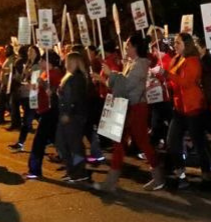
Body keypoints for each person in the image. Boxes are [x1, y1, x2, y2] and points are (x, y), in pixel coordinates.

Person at [94, 35, 164, 192]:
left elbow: (125, 85)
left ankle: (158, 177)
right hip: (126, 106)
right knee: (120, 142)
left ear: (135, 48)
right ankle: (112, 181)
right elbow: (119, 86)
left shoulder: (140, 65)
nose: (125, 49)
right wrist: (103, 79)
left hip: (136, 108)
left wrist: (110, 73)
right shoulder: (131, 63)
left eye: (127, 46)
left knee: (142, 142)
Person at [164, 33, 211, 190]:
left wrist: (167, 74)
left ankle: (207, 177)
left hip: (193, 108)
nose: (175, 45)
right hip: (179, 108)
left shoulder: (193, 61)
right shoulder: (177, 59)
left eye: (178, 42)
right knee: (172, 142)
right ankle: (181, 175)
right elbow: (173, 82)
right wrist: (163, 74)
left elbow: (186, 83)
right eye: (175, 43)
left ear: (187, 44)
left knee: (199, 144)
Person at [24, 51, 64, 180]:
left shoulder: (55, 74)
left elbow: (53, 92)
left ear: (49, 62)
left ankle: (34, 169)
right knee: (58, 139)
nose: (40, 62)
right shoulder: (44, 72)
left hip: (51, 111)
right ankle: (73, 165)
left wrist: (43, 84)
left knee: (39, 142)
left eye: (42, 60)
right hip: (44, 110)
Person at [55, 52, 91, 182]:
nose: (66, 63)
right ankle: (71, 170)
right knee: (62, 143)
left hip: (73, 116)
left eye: (69, 61)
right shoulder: (69, 77)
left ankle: (79, 171)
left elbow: (74, 99)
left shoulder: (77, 78)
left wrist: (68, 114)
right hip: (67, 114)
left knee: (74, 145)